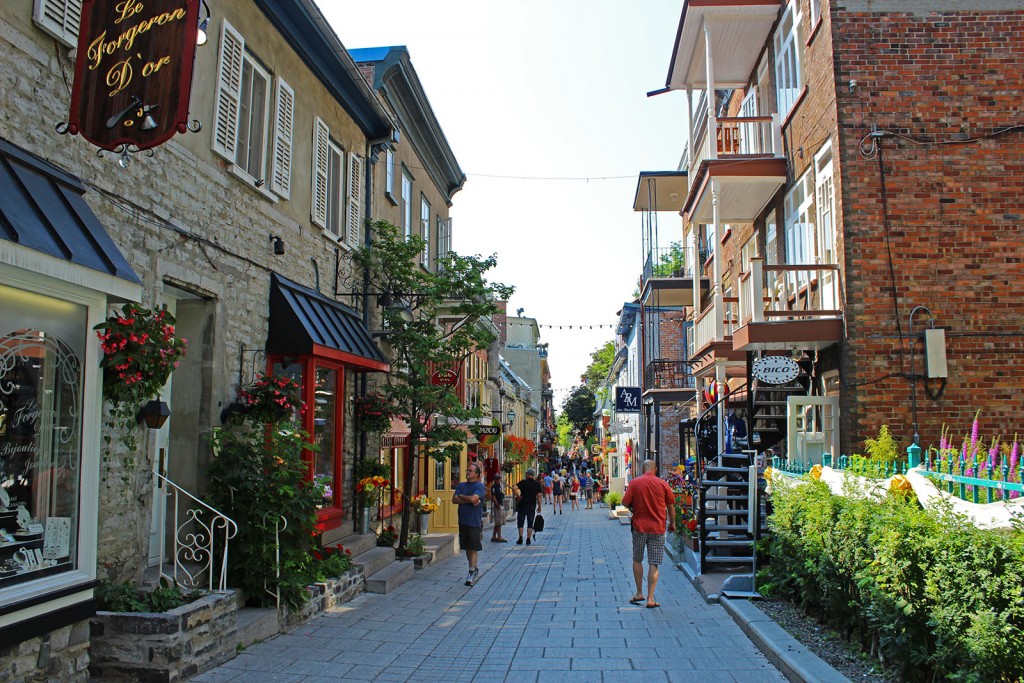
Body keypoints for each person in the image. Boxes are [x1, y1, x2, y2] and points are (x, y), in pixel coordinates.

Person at [622, 459, 675, 608]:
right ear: (655, 469)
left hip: (639, 527)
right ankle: (650, 598)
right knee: (654, 563)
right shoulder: (663, 484)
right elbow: (671, 506)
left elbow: (625, 502)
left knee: (637, 558)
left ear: (642, 469)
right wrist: (672, 523)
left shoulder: (635, 483)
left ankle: (639, 592)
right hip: (657, 528)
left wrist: (635, 506)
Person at [452, 461, 487, 585]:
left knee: (473, 547)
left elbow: (474, 499)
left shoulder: (479, 487)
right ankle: (474, 568)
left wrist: (462, 496)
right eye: (467, 470)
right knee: (467, 547)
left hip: (473, 521)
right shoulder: (461, 485)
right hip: (463, 520)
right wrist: (469, 499)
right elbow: (454, 500)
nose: (467, 472)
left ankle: (471, 572)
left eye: (470, 471)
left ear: (477, 474)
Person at [512, 468, 543, 545]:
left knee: (520, 521)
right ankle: (528, 539)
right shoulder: (537, 484)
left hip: (523, 504)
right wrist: (539, 506)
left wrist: (518, 496)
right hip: (532, 505)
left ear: (528, 474)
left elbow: (514, 488)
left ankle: (520, 538)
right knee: (530, 522)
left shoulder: (523, 482)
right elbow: (539, 496)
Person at [490, 473, 508, 543]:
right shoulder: (494, 487)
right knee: (499, 522)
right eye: (497, 479)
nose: (499, 480)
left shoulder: (499, 486)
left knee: (498, 521)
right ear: (494, 480)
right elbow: (493, 496)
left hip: (500, 504)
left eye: (499, 479)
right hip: (497, 505)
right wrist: (497, 504)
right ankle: (499, 537)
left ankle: (494, 536)